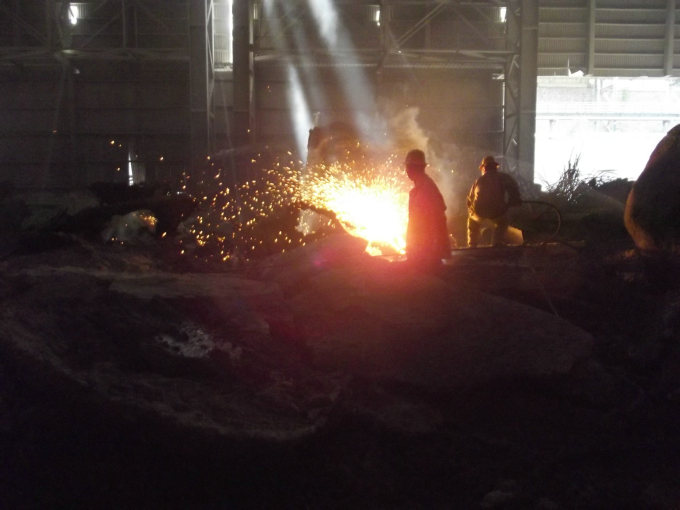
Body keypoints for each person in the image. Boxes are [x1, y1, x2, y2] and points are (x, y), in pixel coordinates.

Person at [404, 149, 450, 267]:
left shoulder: (427, 190)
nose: (407, 170)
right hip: (421, 254)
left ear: (415, 168)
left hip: (426, 256)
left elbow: (437, 221)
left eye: (408, 167)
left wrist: (433, 252)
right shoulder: (421, 188)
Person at [467, 155, 522, 248]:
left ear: (483, 168)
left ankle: (472, 244)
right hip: (497, 210)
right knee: (502, 222)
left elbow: (469, 199)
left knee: (473, 221)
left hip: (479, 210)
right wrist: (513, 201)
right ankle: (497, 242)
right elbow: (513, 188)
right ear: (495, 167)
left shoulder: (478, 180)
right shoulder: (503, 177)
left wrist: (471, 210)